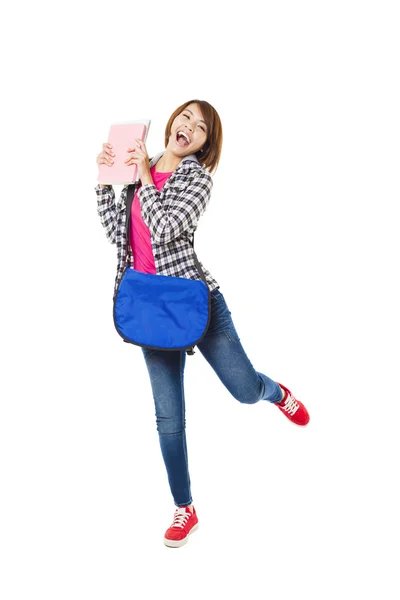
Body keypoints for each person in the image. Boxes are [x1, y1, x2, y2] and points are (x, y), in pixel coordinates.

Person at [95, 99, 310, 548]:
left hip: (197, 303)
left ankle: (276, 392)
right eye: (185, 118)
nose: (189, 127)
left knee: (244, 390)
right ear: (172, 121)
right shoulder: (144, 167)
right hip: (151, 310)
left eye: (201, 128)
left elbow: (166, 227)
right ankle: (185, 508)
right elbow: (122, 235)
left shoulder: (197, 180)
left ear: (205, 144)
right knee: (168, 417)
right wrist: (104, 182)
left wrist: (141, 179)